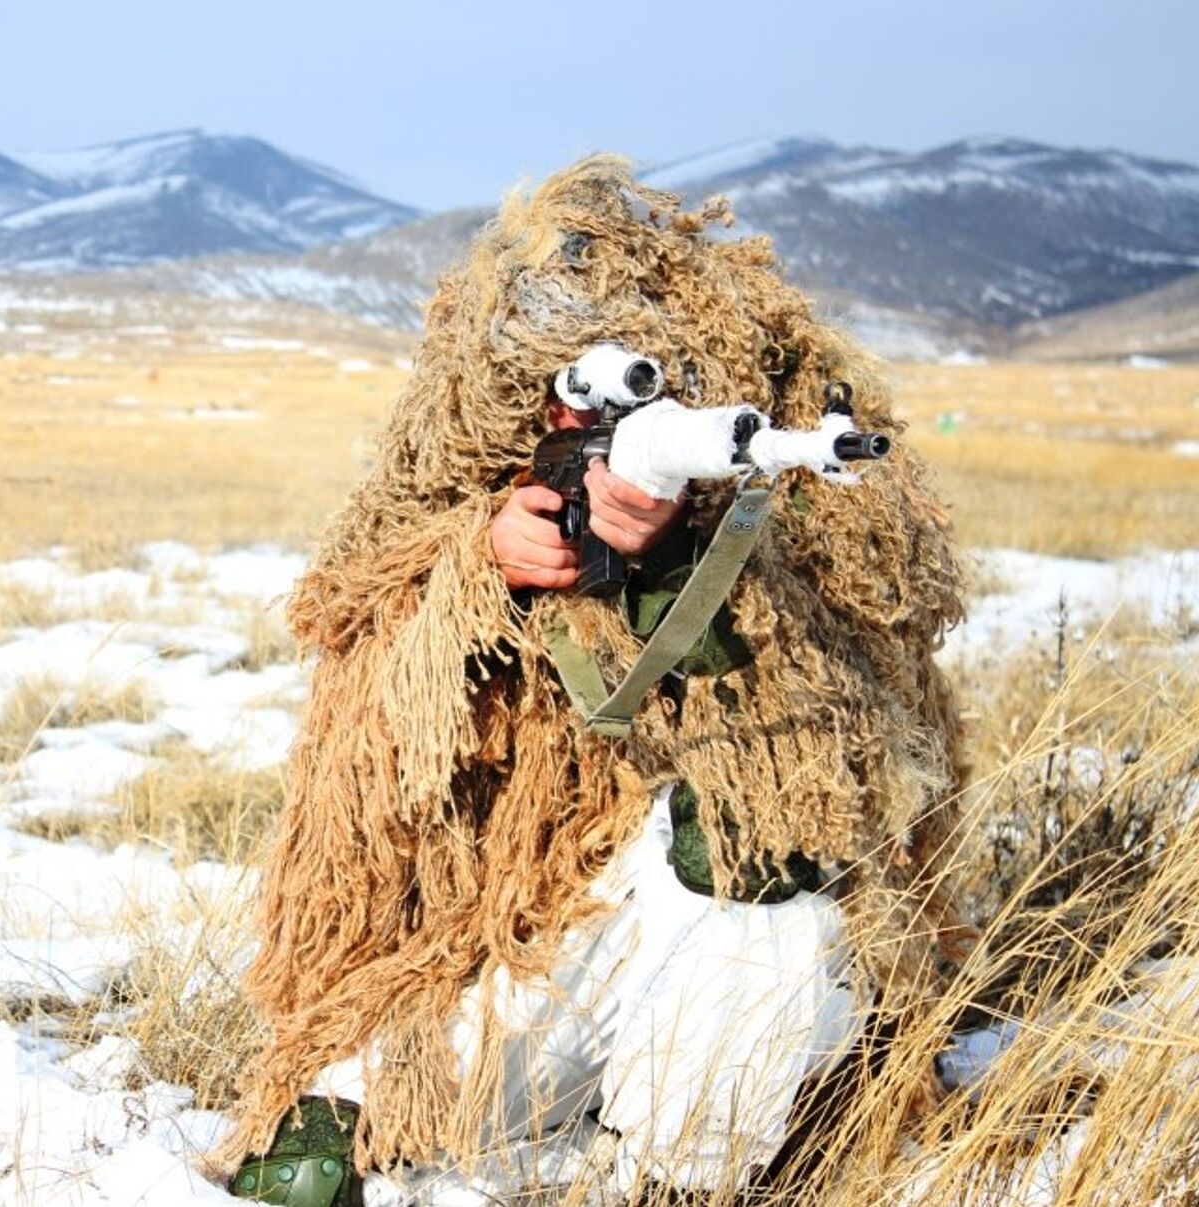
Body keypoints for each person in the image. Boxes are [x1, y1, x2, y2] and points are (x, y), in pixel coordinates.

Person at [219, 156, 968, 1204]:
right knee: (312, 1152)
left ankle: (680, 1173)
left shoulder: (798, 520)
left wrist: (686, 560)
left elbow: (850, 734)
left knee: (748, 864)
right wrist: (479, 571)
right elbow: (371, 735)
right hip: (518, 940)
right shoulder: (437, 495)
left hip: (737, 951)